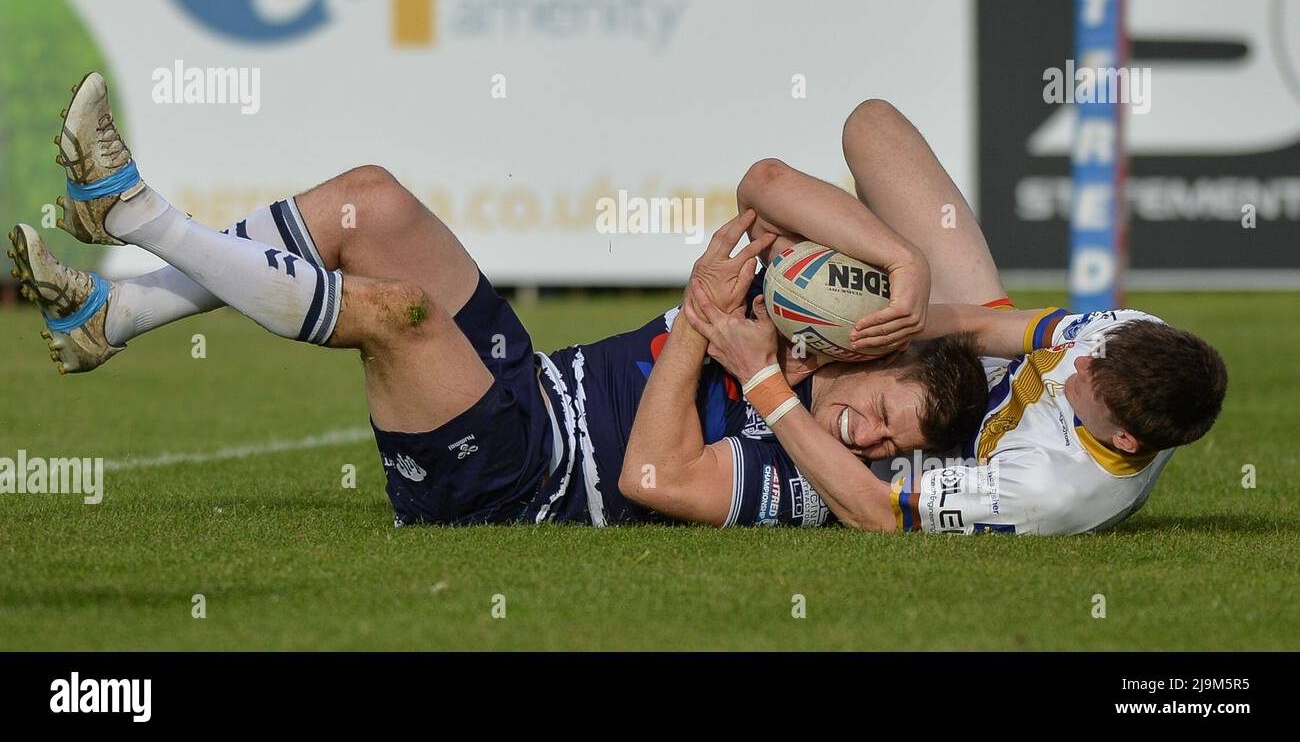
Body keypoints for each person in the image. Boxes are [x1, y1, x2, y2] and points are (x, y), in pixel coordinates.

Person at [8, 73, 988, 528]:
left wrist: (715, 332)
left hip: (518, 482)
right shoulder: (843, 326)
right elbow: (824, 150)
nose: (868, 437)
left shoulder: (813, 473)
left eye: (890, 449)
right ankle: (117, 316)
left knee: (394, 313)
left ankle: (136, 214)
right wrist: (902, 268)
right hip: (529, 380)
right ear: (881, 347)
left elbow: (651, 472)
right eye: (887, 415)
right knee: (371, 200)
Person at [656, 99, 1228, 534]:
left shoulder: (1048, 490)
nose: (1076, 368)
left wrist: (765, 382)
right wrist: (884, 311)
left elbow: (873, 512)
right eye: (1092, 360)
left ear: (1124, 439)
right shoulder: (1126, 337)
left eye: (1089, 387)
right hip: (975, 367)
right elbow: (982, 327)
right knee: (871, 126)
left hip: (946, 441)